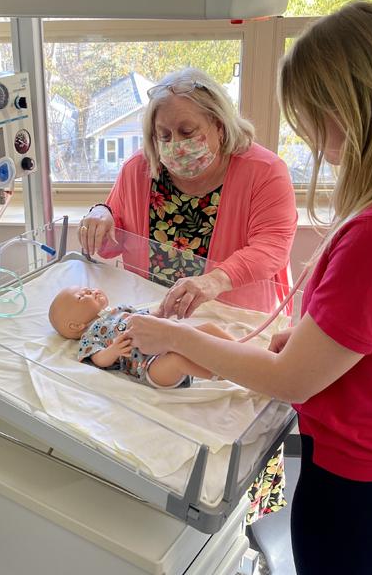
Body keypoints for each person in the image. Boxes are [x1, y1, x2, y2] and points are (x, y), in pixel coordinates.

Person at [124, 1, 372, 575]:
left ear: (353, 105)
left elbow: (293, 380)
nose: (316, 144)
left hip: (363, 493)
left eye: (314, 120)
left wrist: (178, 337)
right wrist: (299, 337)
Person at [78, 67, 297, 524]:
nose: (175, 143)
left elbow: (273, 246)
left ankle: (241, 528)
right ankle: (155, 513)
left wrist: (214, 280)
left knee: (232, 433)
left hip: (238, 321)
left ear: (219, 125)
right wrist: (99, 214)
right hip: (161, 321)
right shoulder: (141, 171)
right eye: (163, 133)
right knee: (164, 428)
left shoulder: (263, 172)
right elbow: (115, 222)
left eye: (187, 130)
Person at [48, 285, 232, 389]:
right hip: (149, 365)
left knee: (208, 328)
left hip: (168, 341)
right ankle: (221, 374)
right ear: (75, 325)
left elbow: (147, 320)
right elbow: (98, 359)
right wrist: (113, 351)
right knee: (177, 360)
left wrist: (161, 313)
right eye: (82, 296)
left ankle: (240, 350)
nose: (91, 291)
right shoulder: (90, 335)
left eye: (88, 288)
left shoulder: (120, 309)